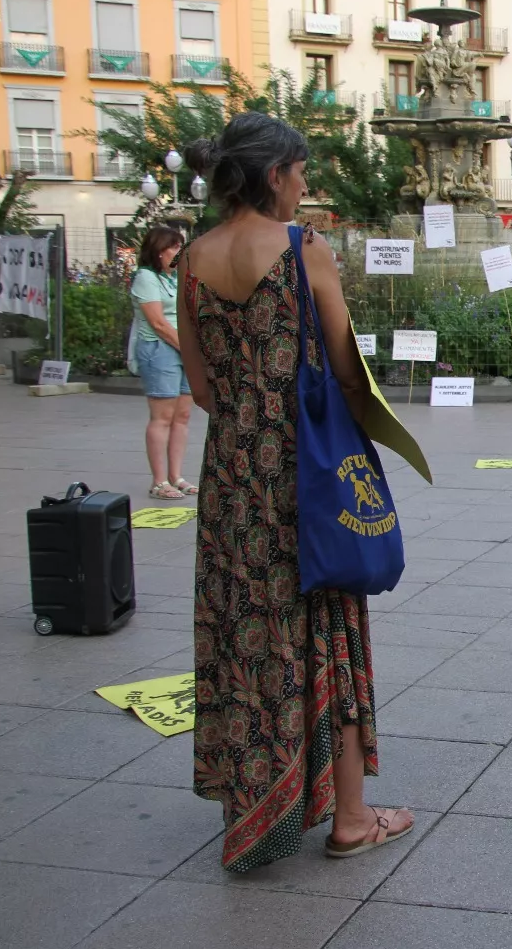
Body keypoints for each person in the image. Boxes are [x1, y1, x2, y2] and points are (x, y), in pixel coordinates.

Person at [176, 112, 412, 871]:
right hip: (302, 471)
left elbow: (201, 388)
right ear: (274, 173)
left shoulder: (192, 259)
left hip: (230, 479)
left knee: (247, 630)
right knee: (326, 631)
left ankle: (257, 808)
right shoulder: (303, 248)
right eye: (302, 171)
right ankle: (351, 817)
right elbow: (346, 369)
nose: (306, 185)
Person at [130, 225, 197, 501]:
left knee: (182, 416)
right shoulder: (146, 278)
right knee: (162, 417)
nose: (179, 252)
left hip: (183, 349)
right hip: (159, 349)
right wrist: (189, 349)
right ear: (159, 251)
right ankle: (159, 481)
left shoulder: (175, 278)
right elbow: (158, 322)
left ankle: (176, 476)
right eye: (174, 247)